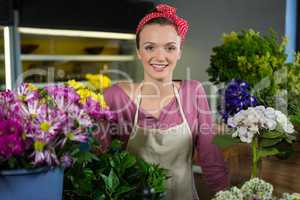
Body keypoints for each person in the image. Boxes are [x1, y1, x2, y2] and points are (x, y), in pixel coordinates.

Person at [103, 3, 229, 200]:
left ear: (179, 52)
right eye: (150, 47)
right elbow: (100, 163)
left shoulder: (193, 92)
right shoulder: (115, 97)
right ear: (138, 51)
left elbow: (210, 158)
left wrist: (226, 196)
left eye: (170, 48)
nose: (160, 56)